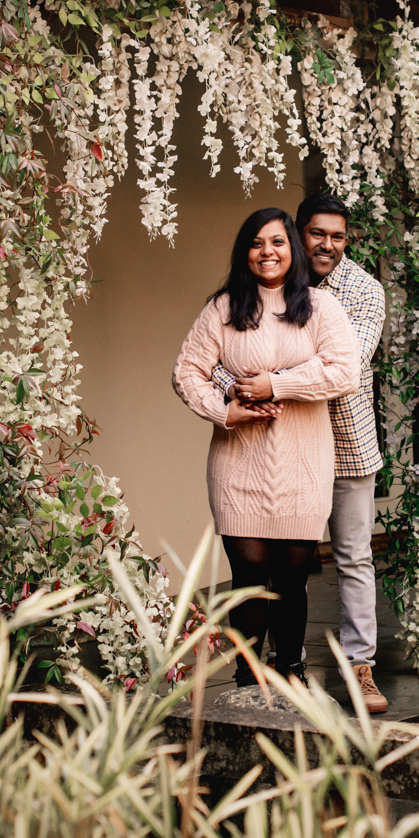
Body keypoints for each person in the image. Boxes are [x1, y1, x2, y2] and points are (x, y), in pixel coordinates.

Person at [212, 192, 389, 713]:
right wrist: (234, 386)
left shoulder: (363, 290)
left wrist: (268, 381)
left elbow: (346, 366)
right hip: (279, 445)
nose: (327, 245)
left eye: (338, 236)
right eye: (316, 234)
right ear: (297, 232)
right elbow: (219, 357)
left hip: (347, 443)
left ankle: (360, 668)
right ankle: (285, 666)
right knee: (285, 565)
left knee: (353, 556)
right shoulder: (266, 282)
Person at [172, 207, 360, 687]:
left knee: (292, 578)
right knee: (250, 578)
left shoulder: (320, 307)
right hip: (238, 465)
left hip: (303, 466)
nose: (267, 252)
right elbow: (186, 372)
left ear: (291, 249)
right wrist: (225, 411)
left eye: (277, 242)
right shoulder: (224, 308)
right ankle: (247, 679)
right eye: (256, 243)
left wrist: (275, 385)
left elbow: (344, 373)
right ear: (245, 252)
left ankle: (291, 670)